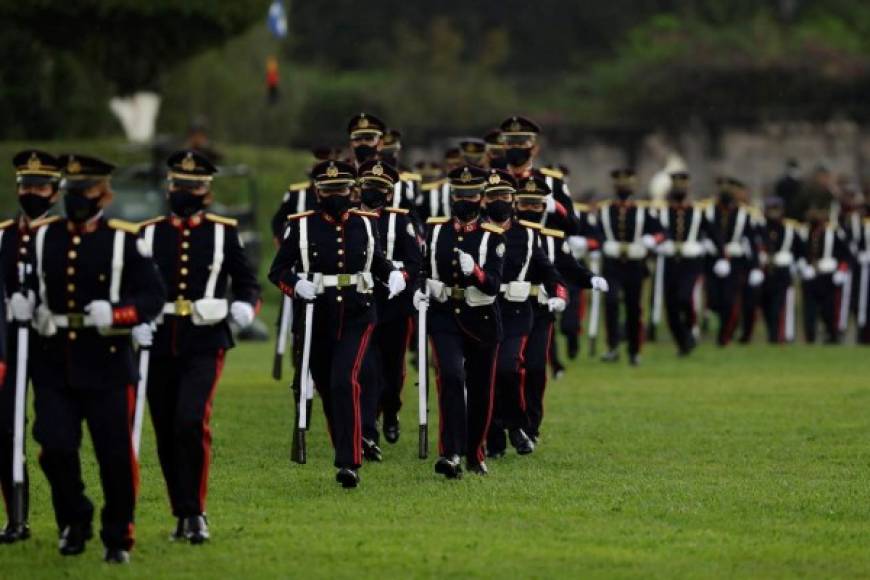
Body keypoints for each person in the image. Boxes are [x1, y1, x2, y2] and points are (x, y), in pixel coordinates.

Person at [29, 154, 166, 563]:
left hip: (106, 362)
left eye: (84, 192)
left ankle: (117, 535)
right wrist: (25, 303)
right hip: (54, 360)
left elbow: (152, 297)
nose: (76, 199)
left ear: (103, 194)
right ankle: (74, 518)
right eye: (70, 191)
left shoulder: (124, 239)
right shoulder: (42, 237)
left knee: (115, 457)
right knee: (53, 447)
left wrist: (120, 312)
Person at [135, 150, 261, 543]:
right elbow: (131, 285)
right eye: (180, 185)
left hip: (205, 338)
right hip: (157, 339)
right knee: (166, 429)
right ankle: (181, 510)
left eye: (194, 187)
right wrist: (135, 317)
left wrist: (244, 307)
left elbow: (247, 282)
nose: (186, 192)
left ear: (207, 193)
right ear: (170, 187)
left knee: (191, 420)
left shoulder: (223, 231)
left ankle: (195, 513)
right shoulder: (147, 233)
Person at [269, 160, 407, 488]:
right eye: (329, 190)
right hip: (317, 316)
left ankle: (348, 462)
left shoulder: (365, 223)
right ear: (318, 191)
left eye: (341, 189)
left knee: (345, 380)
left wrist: (391, 274)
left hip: (358, 313)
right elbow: (277, 270)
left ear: (352, 190)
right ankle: (345, 440)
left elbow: (374, 258)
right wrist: (295, 284)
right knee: (329, 388)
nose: (336, 195)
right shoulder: (301, 226)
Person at [414, 165, 504, 478]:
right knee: (450, 376)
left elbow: (493, 283)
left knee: (481, 391)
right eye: (459, 194)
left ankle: (475, 452)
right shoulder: (435, 229)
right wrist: (423, 287)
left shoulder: (493, 237)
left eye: (471, 194)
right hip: (445, 315)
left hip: (481, 320)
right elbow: (420, 268)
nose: (464, 199)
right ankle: (450, 453)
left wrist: (476, 272)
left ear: (481, 198)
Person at [0, 150, 63, 543]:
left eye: (40, 186)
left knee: (56, 435)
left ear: (54, 192)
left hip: (54, 346)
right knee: (6, 432)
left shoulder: (63, 234)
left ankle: (69, 518)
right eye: (26, 185)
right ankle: (16, 519)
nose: (32, 192)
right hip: (10, 344)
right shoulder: (4, 234)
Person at [481, 170, 566, 459]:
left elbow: (548, 270)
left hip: (517, 311)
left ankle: (518, 425)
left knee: (509, 367)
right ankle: (493, 435)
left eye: (503, 197)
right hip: (483, 310)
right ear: (483, 200)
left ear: (513, 200)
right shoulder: (475, 231)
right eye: (493, 197)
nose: (498, 202)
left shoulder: (528, 235)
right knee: (487, 374)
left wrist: (558, 293)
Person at [355, 159, 422, 448]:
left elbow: (415, 262)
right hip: (360, 302)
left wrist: (402, 276)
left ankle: (391, 411)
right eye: (369, 186)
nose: (374, 193)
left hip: (394, 305)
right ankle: (368, 431)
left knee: (392, 372)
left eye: (380, 188)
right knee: (367, 369)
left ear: (390, 193)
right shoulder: (350, 218)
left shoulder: (400, 219)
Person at [597, 169, 662, 365]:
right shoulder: (605, 210)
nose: (624, 187)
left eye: (627, 183)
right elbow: (596, 233)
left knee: (634, 308)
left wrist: (653, 239)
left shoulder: (643, 210)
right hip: (612, 265)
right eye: (620, 183)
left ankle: (635, 351)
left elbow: (661, 232)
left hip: (635, 265)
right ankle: (612, 346)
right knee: (611, 302)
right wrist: (601, 244)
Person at [656, 172, 721, 356]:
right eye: (676, 185)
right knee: (670, 306)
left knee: (684, 297)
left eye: (683, 185)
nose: (680, 188)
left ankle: (691, 327)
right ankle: (683, 341)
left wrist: (721, 256)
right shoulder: (662, 211)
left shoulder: (698, 211)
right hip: (670, 261)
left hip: (691, 262)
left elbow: (714, 233)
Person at [703, 177, 763, 346]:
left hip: (735, 261)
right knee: (714, 297)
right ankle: (713, 320)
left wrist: (755, 267)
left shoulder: (744, 214)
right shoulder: (708, 210)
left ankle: (724, 336)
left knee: (730, 300)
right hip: (712, 259)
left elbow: (751, 241)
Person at [799, 197, 850, 343]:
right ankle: (810, 339)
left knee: (829, 311)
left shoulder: (834, 232)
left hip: (828, 277)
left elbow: (846, 255)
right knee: (809, 313)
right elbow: (798, 252)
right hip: (810, 277)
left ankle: (832, 337)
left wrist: (841, 270)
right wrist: (803, 265)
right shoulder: (803, 231)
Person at [755, 197, 804, 343]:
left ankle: (776, 337)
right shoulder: (759, 228)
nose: (773, 213)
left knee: (778, 307)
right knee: (765, 306)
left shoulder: (789, 229)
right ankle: (771, 333)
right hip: (764, 272)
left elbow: (800, 250)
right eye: (771, 209)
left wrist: (795, 263)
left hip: (781, 273)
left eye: (776, 209)